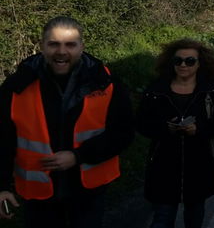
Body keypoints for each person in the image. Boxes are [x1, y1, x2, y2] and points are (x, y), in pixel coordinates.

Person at [0, 16, 135, 228]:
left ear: (82, 47)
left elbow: (123, 133)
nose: (61, 52)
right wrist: (2, 187)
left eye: (70, 44)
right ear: (42, 45)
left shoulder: (105, 82)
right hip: (39, 197)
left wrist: (77, 156)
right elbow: (3, 139)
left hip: (88, 193)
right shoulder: (17, 86)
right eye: (53, 44)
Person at [136, 39, 214, 228]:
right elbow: (141, 122)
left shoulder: (211, 90)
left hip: (200, 164)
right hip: (163, 166)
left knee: (194, 217)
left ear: (199, 63)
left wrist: (199, 129)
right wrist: (165, 128)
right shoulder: (156, 90)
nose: (183, 65)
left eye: (189, 61)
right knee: (162, 219)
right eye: (178, 60)